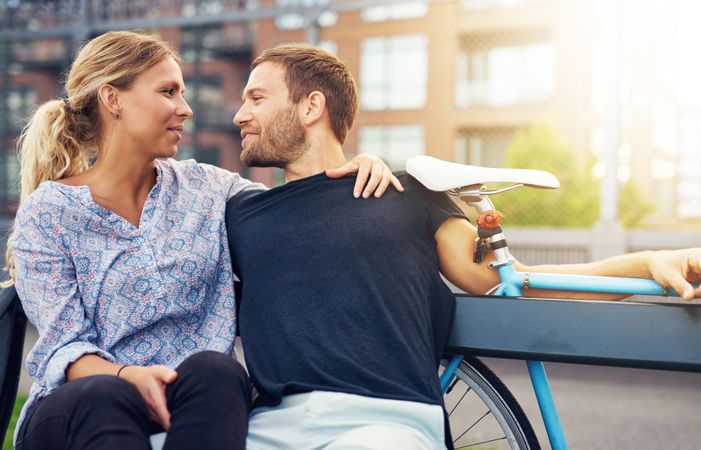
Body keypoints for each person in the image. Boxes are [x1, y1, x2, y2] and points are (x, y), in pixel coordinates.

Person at [225, 44, 701, 450]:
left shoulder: (408, 194)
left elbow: (510, 283)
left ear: (311, 107)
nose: (238, 115)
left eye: (256, 98)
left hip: (383, 424)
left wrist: (648, 262)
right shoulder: (241, 214)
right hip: (269, 427)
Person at [4, 31, 400, 450]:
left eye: (183, 93)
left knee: (219, 369)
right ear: (112, 99)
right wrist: (128, 375)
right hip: (79, 404)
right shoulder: (48, 212)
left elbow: (294, 216)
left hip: (192, 399)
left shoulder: (208, 189)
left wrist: (355, 166)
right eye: (168, 91)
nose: (186, 109)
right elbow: (62, 348)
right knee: (107, 394)